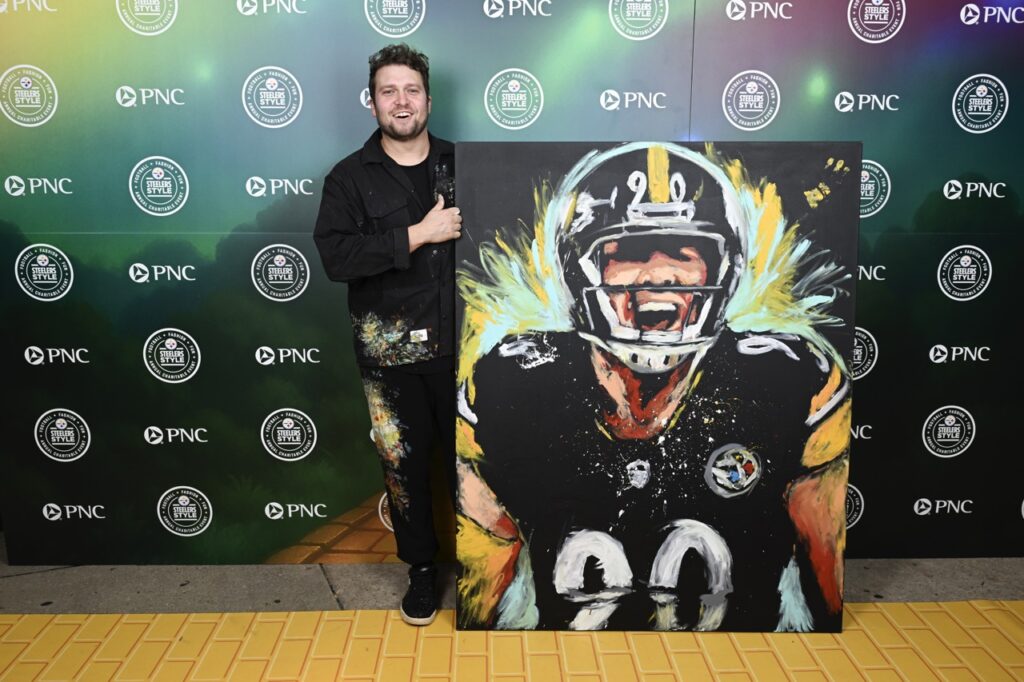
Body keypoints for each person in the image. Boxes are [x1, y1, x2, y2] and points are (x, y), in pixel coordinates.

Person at [455, 143, 851, 631]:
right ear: (579, 268)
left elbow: (825, 584)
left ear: (724, 269)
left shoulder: (790, 380)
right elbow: (480, 594)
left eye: (688, 252)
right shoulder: (509, 383)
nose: (661, 274)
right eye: (629, 252)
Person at [313, 44, 460, 626]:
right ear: (372, 103)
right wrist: (417, 234)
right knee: (404, 469)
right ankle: (421, 573)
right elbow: (336, 257)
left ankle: (481, 572)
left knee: (472, 465)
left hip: (466, 351)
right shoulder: (349, 178)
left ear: (429, 98)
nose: (402, 101)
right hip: (390, 357)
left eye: (411, 90)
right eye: (388, 91)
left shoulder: (460, 162)